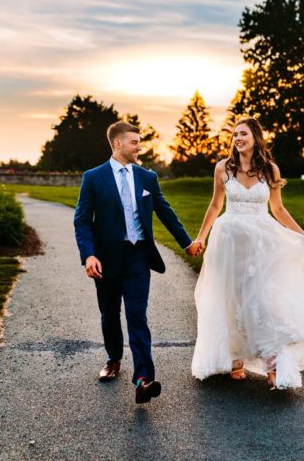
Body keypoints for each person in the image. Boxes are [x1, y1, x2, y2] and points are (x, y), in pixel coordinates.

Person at [190, 118, 304, 390]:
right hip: (229, 242)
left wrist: (302, 234)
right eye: (234, 134)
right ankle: (235, 359)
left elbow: (278, 210)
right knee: (230, 299)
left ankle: (273, 365)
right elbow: (215, 205)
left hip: (261, 244)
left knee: (264, 301)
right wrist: (201, 236)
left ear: (256, 138)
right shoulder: (223, 167)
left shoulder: (270, 170)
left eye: (243, 134)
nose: (237, 138)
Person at [74, 121, 202, 404]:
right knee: (109, 314)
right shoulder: (93, 177)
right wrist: (89, 255)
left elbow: (165, 211)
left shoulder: (147, 178)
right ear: (118, 144)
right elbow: (82, 220)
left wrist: (187, 242)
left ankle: (144, 378)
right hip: (105, 260)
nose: (139, 147)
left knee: (136, 315)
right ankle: (114, 358)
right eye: (134, 142)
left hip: (138, 258)